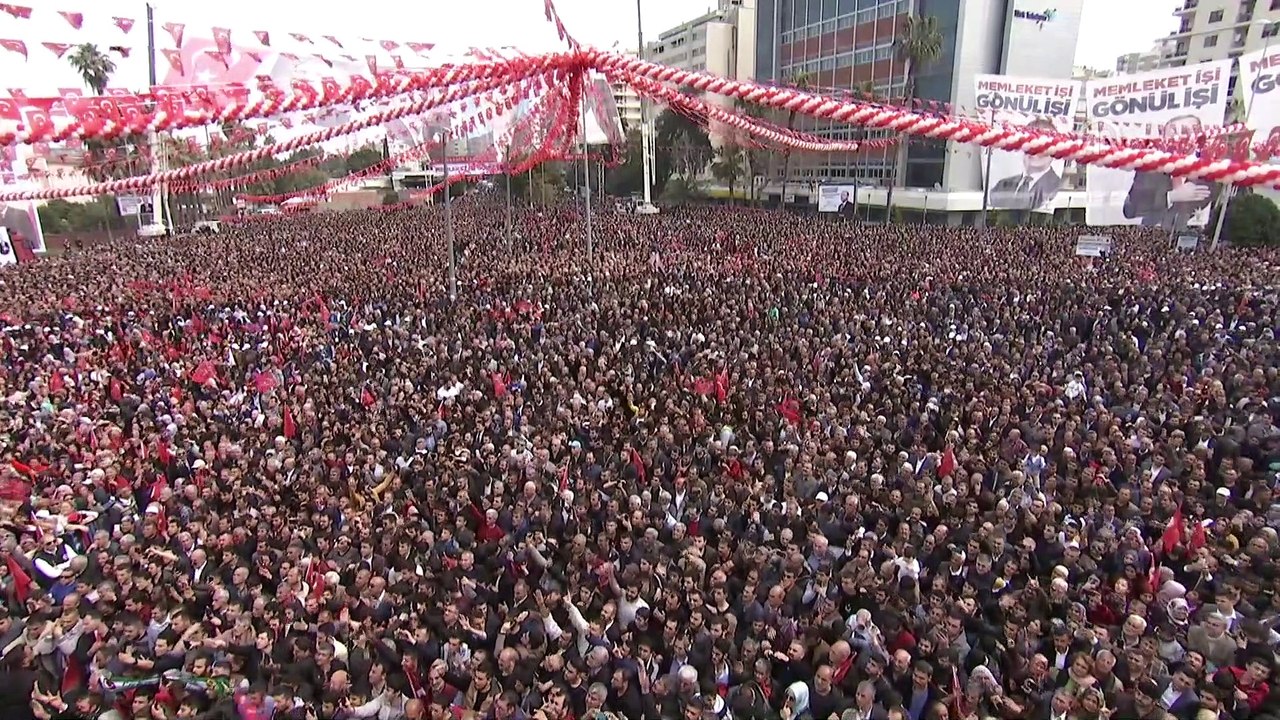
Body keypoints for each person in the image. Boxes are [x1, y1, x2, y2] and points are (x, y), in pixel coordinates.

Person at [1123, 114, 1215, 228]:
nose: (1179, 136)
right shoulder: (1149, 168)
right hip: (1149, 233)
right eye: (1174, 131)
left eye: (1186, 131)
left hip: (1186, 234)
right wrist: (1172, 196)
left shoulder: (1208, 172)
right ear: (1164, 137)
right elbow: (1130, 209)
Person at [988, 116, 1063, 211]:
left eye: (1043, 145)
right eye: (1029, 142)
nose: (1034, 150)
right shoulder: (1001, 187)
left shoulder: (1057, 188)